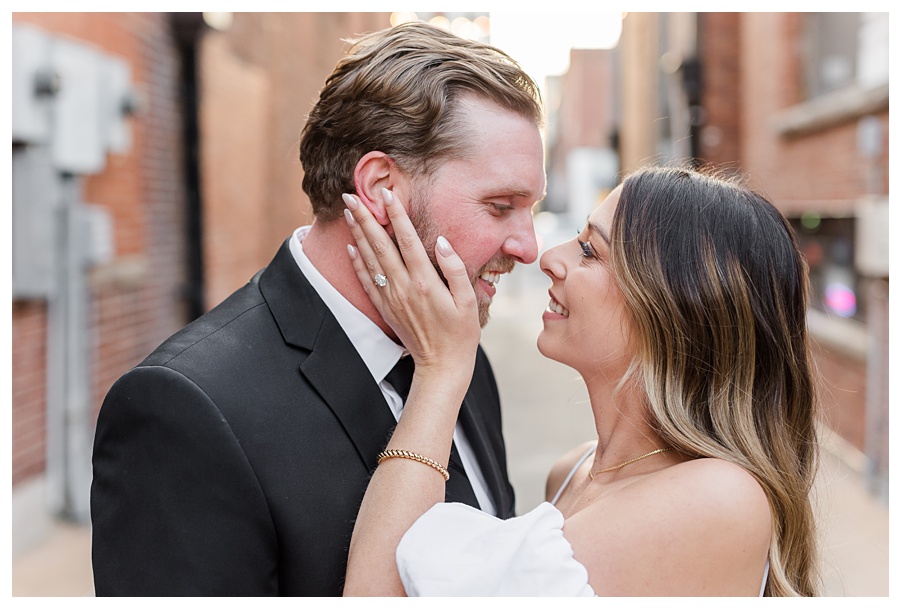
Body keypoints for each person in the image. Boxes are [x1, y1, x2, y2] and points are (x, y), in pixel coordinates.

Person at [90, 22, 546, 596]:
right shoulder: (186, 407)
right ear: (381, 187)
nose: (527, 248)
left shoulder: (458, 355)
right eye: (501, 206)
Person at [340, 165, 821, 597]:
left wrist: (440, 369)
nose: (548, 257)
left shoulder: (719, 499)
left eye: (590, 250)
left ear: (674, 309)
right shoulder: (570, 473)